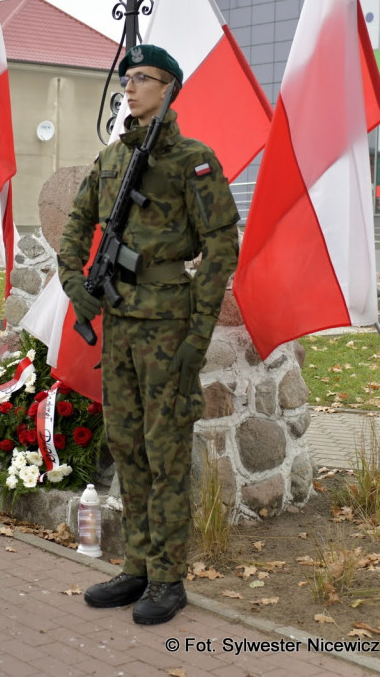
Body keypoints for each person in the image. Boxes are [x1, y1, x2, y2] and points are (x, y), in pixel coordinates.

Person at [59, 44, 239, 625]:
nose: (129, 87)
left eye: (143, 78)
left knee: (165, 455)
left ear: (170, 89)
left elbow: (221, 248)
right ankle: (136, 566)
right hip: (119, 327)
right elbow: (76, 223)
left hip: (167, 325)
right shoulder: (113, 159)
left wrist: (197, 334)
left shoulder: (194, 161)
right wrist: (74, 285)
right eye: (126, 78)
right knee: (127, 448)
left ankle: (167, 578)